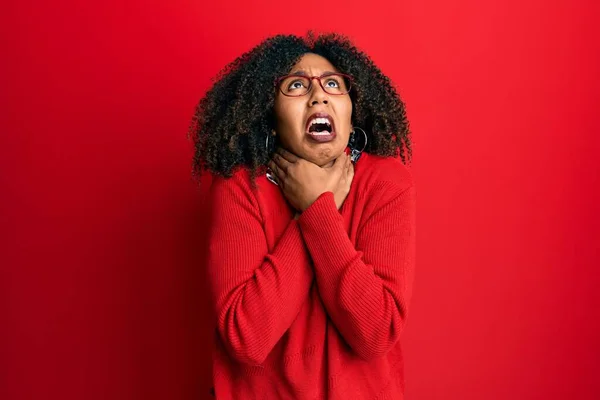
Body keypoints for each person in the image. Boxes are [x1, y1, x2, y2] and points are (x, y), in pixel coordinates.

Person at [190, 32, 415, 400]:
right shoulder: (239, 187)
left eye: (332, 84)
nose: (318, 94)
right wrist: (318, 209)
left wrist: (314, 206)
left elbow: (375, 332)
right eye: (296, 85)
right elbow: (246, 338)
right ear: (269, 113)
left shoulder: (386, 183)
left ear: (352, 106)